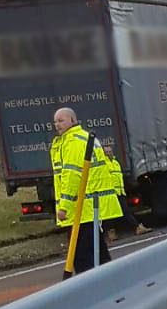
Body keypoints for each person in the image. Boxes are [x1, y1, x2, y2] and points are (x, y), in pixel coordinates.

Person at [51, 108, 121, 276]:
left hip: (83, 208)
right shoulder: (83, 137)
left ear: (73, 120)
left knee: (83, 257)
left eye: (61, 120)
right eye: (55, 121)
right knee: (99, 252)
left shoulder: (73, 141)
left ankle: (91, 290)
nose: (57, 125)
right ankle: (111, 283)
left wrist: (64, 207)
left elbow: (72, 175)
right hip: (90, 206)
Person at [100, 143, 148, 243]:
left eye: (109, 151)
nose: (108, 153)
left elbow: (118, 178)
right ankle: (112, 233)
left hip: (119, 192)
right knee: (110, 215)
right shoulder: (103, 163)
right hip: (109, 193)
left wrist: (122, 190)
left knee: (125, 211)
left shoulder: (115, 163)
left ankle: (137, 228)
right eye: (106, 152)